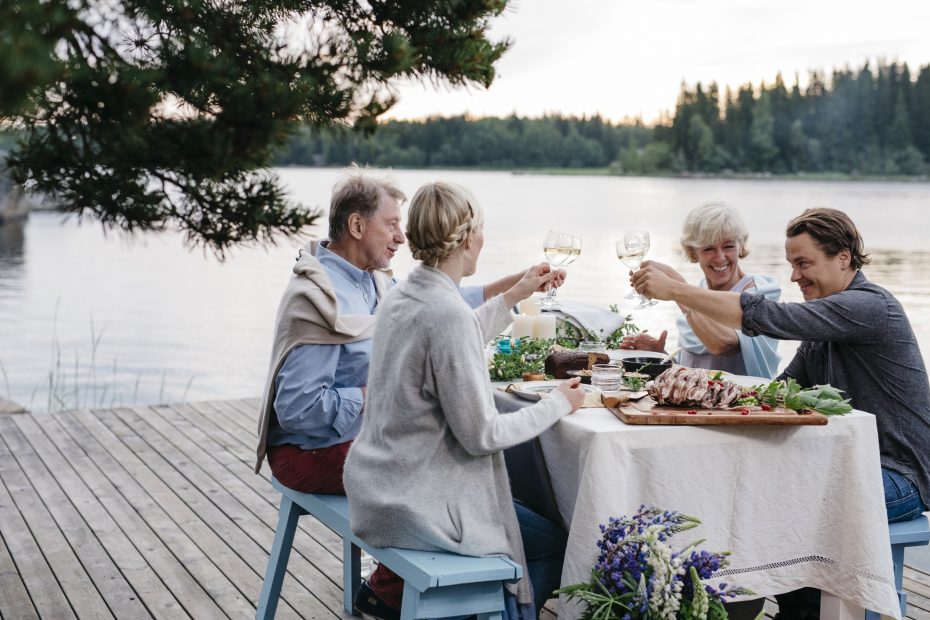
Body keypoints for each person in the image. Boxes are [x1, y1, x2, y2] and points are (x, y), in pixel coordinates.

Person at [254, 168, 564, 618]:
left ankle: (394, 591)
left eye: (404, 224)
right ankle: (409, 593)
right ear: (357, 226)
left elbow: (449, 311)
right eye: (391, 223)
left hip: (370, 453)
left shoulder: (381, 285)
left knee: (487, 476)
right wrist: (383, 392)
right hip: (312, 451)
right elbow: (299, 411)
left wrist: (516, 290)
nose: (400, 237)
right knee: (482, 478)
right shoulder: (321, 295)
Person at [631, 207, 930, 617]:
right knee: (742, 493)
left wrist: (679, 291)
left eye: (804, 263)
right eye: (791, 265)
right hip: (844, 467)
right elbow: (780, 393)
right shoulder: (824, 329)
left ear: (844, 257)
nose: (794, 277)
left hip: (899, 477)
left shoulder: (869, 306)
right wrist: (686, 386)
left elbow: (770, 317)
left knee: (780, 510)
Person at [343, 181, 586, 620]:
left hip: (379, 482)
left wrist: (514, 295)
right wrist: (557, 405)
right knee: (557, 547)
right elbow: (482, 435)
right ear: (470, 238)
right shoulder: (445, 312)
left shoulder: (406, 294)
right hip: (415, 502)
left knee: (526, 521)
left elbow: (455, 336)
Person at [620, 202, 781, 378]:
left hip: (744, 403)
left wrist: (677, 287)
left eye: (728, 246)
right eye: (708, 249)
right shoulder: (696, 292)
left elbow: (723, 344)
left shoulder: (760, 291)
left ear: (741, 245)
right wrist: (660, 356)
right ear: (693, 252)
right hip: (698, 403)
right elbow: (693, 371)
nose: (720, 258)